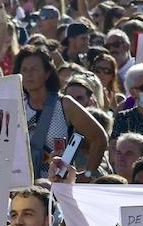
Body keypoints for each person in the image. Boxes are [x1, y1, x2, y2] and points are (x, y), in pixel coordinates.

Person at [16, 47, 106, 177]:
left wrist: (87, 175)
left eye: (34, 69)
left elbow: (99, 138)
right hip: (25, 191)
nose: (28, 74)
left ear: (47, 73)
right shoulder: (17, 106)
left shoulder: (65, 105)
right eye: (24, 70)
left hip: (59, 188)